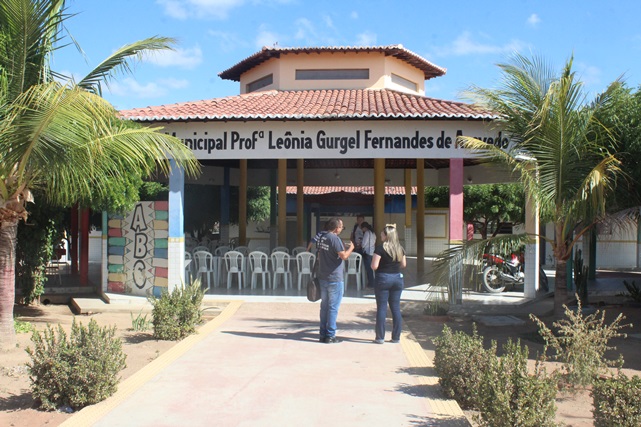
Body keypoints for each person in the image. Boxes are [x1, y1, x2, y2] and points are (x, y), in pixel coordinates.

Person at [317, 218, 354, 344]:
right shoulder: (335, 238)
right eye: (342, 226)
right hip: (335, 278)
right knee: (333, 308)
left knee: (324, 307)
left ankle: (322, 334)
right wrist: (351, 248)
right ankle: (330, 335)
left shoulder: (322, 237)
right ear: (336, 228)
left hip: (323, 277)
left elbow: (322, 254)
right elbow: (343, 256)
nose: (342, 229)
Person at [371, 224, 406, 344]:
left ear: (386, 236)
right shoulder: (400, 248)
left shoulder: (380, 249)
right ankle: (396, 337)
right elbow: (404, 264)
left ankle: (380, 337)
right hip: (397, 279)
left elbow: (374, 266)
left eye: (382, 233)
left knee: (381, 308)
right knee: (395, 308)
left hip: (383, 278)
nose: (381, 235)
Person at [360, 221, 376, 288]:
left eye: (362, 228)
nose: (362, 230)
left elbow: (364, 244)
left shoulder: (367, 233)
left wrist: (360, 243)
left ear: (364, 228)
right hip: (372, 252)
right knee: (372, 269)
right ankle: (373, 283)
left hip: (367, 253)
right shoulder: (373, 233)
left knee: (368, 269)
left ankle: (371, 284)